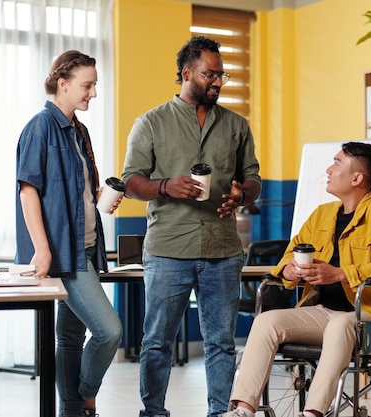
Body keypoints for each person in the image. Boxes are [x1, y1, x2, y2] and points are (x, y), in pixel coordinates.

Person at [121, 36, 261, 417]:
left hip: (223, 250)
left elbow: (252, 178)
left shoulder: (236, 125)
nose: (217, 81)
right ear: (187, 73)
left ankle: (220, 413)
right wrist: (165, 186)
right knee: (156, 342)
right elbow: (131, 181)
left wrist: (242, 195)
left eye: (222, 75)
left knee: (221, 343)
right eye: (210, 74)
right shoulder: (150, 123)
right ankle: (153, 412)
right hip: (168, 250)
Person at [223, 142, 371, 417]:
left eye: (336, 163)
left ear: (357, 178)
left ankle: (312, 413)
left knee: (339, 326)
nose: (328, 169)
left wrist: (341, 273)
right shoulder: (322, 215)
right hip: (323, 312)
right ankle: (244, 409)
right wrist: (288, 271)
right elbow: (291, 253)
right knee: (266, 321)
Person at [15, 50, 122, 417]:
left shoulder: (79, 129)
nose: (93, 93)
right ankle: (84, 397)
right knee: (109, 331)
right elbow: (28, 189)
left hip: (88, 248)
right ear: (63, 83)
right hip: (65, 253)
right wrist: (43, 250)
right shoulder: (40, 127)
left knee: (72, 336)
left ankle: (71, 410)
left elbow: (78, 191)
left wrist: (101, 197)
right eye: (87, 85)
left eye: (94, 85)